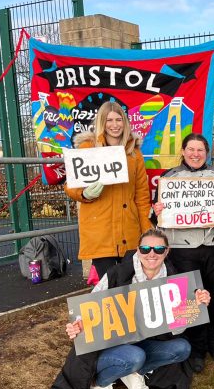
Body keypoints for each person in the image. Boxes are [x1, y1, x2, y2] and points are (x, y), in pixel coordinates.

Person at [49, 229, 211, 389]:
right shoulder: (117, 274)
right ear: (137, 250)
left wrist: (195, 305)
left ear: (167, 252)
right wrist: (77, 324)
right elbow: (89, 307)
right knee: (135, 356)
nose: (152, 253)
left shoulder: (175, 280)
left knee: (182, 348)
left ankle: (134, 373)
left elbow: (176, 330)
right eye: (145, 248)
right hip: (117, 345)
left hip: (147, 340)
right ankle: (99, 384)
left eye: (159, 249)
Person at [152, 134, 214, 371]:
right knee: (190, 299)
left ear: (207, 152)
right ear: (183, 151)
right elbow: (156, 216)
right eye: (191, 149)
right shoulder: (169, 178)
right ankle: (196, 347)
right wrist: (155, 211)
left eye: (200, 150)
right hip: (182, 248)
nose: (195, 154)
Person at [64, 101, 152, 279]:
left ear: (125, 122)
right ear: (101, 123)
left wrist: (147, 233)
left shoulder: (135, 154)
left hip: (130, 231)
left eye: (119, 119)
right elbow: (70, 185)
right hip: (100, 232)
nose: (115, 125)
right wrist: (84, 193)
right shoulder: (87, 148)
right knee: (108, 287)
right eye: (109, 120)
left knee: (131, 283)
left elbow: (142, 197)